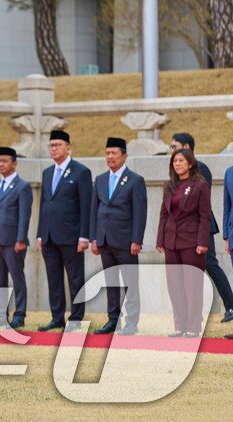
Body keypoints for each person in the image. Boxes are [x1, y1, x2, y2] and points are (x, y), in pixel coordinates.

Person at [170, 132, 233, 321]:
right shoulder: (175, 171)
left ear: (187, 147)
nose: (172, 151)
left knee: (210, 263)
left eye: (175, 147)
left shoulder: (201, 169)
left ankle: (230, 305)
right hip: (182, 229)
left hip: (200, 226)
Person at [35, 129, 92, 332]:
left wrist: (84, 236)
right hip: (49, 236)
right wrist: (40, 234)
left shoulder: (81, 172)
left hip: (72, 236)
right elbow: (44, 204)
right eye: (51, 145)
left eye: (58, 145)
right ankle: (56, 317)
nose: (54, 149)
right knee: (54, 278)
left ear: (68, 147)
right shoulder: (48, 172)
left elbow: (86, 206)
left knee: (75, 278)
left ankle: (76, 317)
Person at [90, 136, 145, 335]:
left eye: (114, 153)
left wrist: (136, 240)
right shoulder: (101, 179)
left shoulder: (135, 180)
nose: (110, 157)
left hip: (126, 242)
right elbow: (94, 210)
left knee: (130, 283)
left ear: (124, 156)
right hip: (104, 241)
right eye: (107, 153)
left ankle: (131, 322)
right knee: (110, 282)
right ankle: (112, 320)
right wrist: (94, 238)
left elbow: (140, 213)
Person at [156, 148, 211, 337]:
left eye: (181, 160)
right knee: (175, 286)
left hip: (192, 242)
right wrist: (160, 240)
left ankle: (193, 327)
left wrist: (202, 242)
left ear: (190, 163)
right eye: (174, 161)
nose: (177, 164)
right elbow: (164, 214)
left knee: (192, 286)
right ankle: (179, 325)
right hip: (171, 242)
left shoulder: (200, 185)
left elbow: (205, 216)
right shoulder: (169, 185)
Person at [0, 147, 31, 328]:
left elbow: (24, 215)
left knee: (17, 278)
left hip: (13, 242)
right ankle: (1, 314)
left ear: (14, 163)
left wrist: (20, 239)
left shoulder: (22, 186)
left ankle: (19, 315)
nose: (1, 164)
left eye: (5, 161)